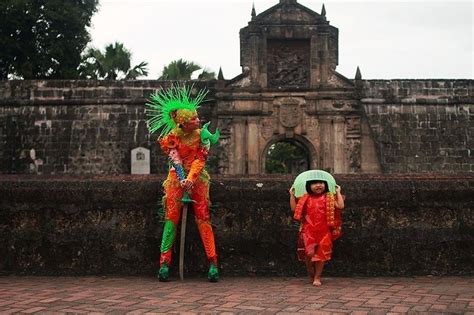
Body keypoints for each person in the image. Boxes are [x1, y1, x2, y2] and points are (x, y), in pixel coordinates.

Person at [145, 85, 220, 282]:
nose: (198, 120)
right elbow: (175, 158)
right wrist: (182, 178)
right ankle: (164, 264)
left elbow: (200, 159)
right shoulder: (171, 137)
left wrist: (191, 178)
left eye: (197, 117)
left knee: (203, 219)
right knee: (171, 220)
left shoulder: (203, 136)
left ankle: (213, 263)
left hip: (198, 180)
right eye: (193, 119)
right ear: (183, 123)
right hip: (176, 182)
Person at [289, 178, 344, 286]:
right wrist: (291, 195)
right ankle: (311, 273)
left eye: (321, 183)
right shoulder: (305, 198)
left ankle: (317, 277)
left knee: (321, 255)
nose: (318, 185)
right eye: (315, 183)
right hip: (308, 230)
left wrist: (338, 192)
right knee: (309, 254)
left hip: (324, 231)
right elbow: (294, 209)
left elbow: (340, 206)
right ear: (309, 186)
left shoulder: (329, 197)